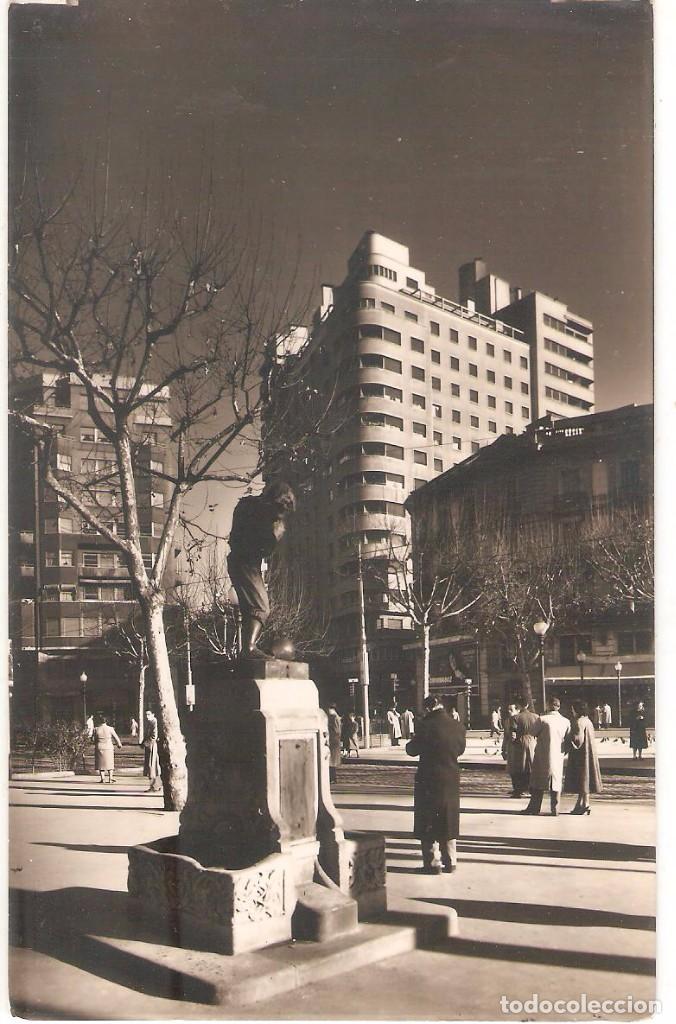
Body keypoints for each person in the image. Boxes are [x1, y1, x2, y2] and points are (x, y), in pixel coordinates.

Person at [227, 481, 296, 659]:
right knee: (260, 606)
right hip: (246, 563)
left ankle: (247, 649)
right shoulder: (262, 515)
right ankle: (249, 648)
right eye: (281, 512)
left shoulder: (247, 505)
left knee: (251, 608)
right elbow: (262, 548)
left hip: (241, 562)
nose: (280, 517)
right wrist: (274, 536)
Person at [406, 694, 466, 874]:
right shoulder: (458, 726)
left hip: (429, 779)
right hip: (451, 778)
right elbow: (460, 749)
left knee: (428, 820)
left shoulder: (425, 726)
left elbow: (411, 750)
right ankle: (451, 861)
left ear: (428, 708)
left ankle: (432, 864)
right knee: (448, 819)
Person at [521, 696, 571, 816]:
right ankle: (555, 809)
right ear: (559, 707)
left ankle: (534, 808)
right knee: (556, 782)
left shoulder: (542, 719)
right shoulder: (565, 721)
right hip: (558, 755)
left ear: (548, 705)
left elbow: (532, 733)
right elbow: (568, 740)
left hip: (543, 754)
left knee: (538, 781)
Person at [564, 700, 603, 814]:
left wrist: (567, 739)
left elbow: (577, 741)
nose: (572, 711)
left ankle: (583, 804)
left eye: (573, 709)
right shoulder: (588, 721)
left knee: (582, 779)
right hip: (589, 753)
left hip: (580, 756)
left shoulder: (578, 722)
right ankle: (584, 803)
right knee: (586, 779)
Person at [510, 699, 539, 797]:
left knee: (519, 767)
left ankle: (519, 790)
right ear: (527, 705)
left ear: (519, 706)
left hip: (520, 742)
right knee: (531, 766)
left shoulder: (516, 718)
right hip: (533, 741)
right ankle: (532, 789)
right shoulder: (536, 717)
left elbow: (513, 733)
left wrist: (512, 743)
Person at [92, 712, 122, 784]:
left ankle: (102, 778)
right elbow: (116, 737)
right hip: (108, 747)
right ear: (106, 721)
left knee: (101, 763)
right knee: (110, 763)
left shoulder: (96, 729)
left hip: (99, 747)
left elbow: (93, 739)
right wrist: (119, 744)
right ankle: (110, 778)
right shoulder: (110, 729)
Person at [501, 701, 522, 796]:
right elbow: (505, 735)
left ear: (518, 710)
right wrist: (503, 748)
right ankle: (515, 788)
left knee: (519, 769)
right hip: (510, 747)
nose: (509, 711)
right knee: (511, 769)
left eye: (511, 709)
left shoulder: (520, 720)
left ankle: (520, 789)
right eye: (508, 709)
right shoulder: (507, 721)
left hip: (519, 747)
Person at [141, 709, 162, 792]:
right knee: (152, 766)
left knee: (152, 765)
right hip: (149, 746)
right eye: (146, 714)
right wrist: (143, 743)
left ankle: (155, 786)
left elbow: (154, 736)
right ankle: (155, 785)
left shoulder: (154, 722)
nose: (147, 716)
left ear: (153, 714)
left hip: (152, 746)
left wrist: (146, 743)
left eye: (149, 714)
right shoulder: (149, 723)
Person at [327, 704, 342, 783]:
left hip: (333, 742)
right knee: (331, 761)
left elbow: (336, 731)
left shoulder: (333, 717)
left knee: (331, 761)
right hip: (334, 741)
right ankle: (332, 778)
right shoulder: (334, 717)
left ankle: (332, 778)